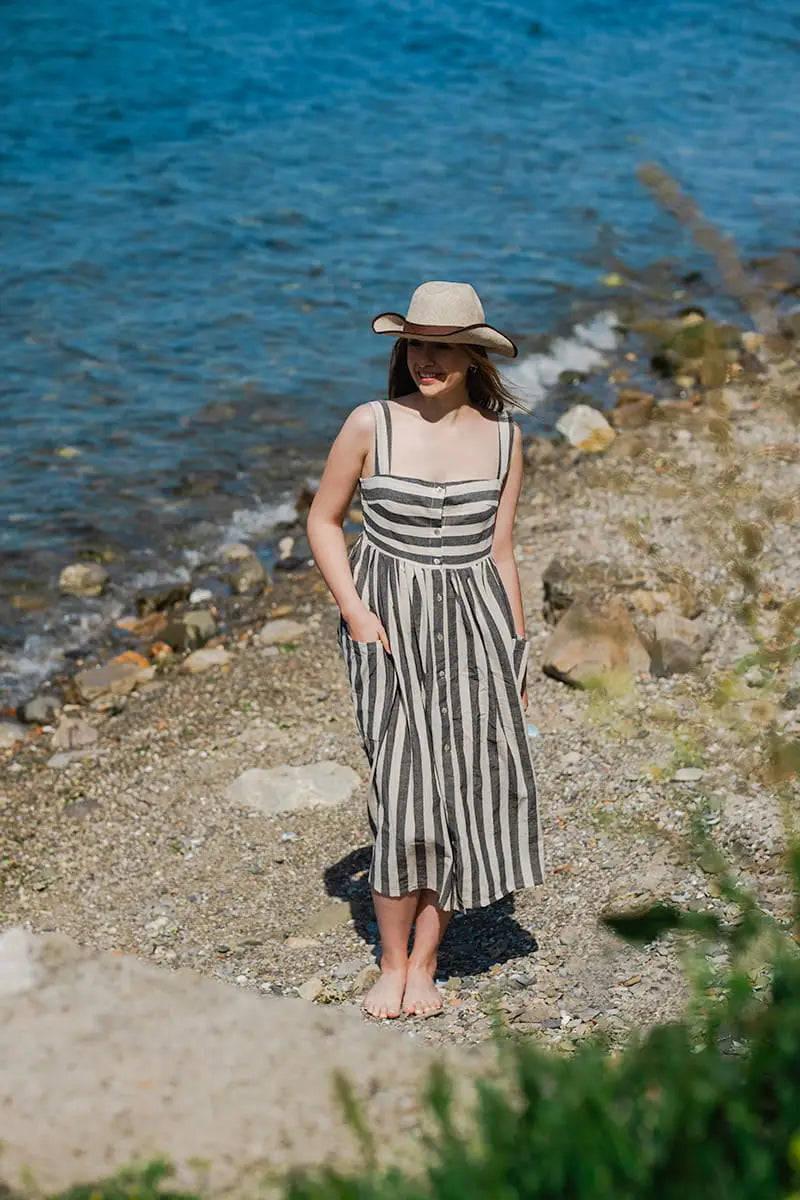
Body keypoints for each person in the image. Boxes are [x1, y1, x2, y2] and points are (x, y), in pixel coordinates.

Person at [307, 281, 544, 1020]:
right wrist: (355, 612)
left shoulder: (505, 438)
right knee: (402, 794)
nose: (425, 361)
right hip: (387, 625)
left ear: (474, 357)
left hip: (476, 625)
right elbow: (323, 522)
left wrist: (516, 650)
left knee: (461, 794)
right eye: (415, 345)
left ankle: (425, 963)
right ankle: (390, 960)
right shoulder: (370, 422)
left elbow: (500, 551)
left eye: (442, 348)